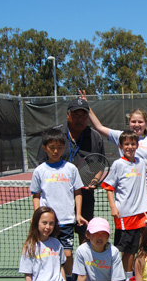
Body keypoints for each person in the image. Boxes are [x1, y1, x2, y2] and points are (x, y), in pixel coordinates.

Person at [36, 97, 105, 245]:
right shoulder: (54, 134)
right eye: (75, 115)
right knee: (55, 241)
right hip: (57, 199)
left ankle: (82, 266)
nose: (79, 119)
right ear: (68, 115)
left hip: (84, 196)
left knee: (85, 237)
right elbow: (42, 164)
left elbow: (100, 165)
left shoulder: (95, 137)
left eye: (83, 116)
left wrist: (95, 179)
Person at [83, 90, 147, 205]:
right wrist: (87, 107)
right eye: (133, 121)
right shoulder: (120, 136)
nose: (137, 125)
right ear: (129, 122)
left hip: (146, 188)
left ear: (146, 123)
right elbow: (99, 127)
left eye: (140, 122)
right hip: (126, 187)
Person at [31, 129, 87, 281]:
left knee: (68, 253)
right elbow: (36, 195)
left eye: (60, 147)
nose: (56, 151)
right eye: (52, 147)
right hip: (48, 222)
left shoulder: (70, 169)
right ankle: (54, 279)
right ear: (44, 148)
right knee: (50, 253)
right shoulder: (40, 171)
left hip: (67, 220)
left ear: (64, 148)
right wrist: (38, 216)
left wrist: (78, 214)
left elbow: (78, 192)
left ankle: (69, 277)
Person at [101, 130, 147, 281]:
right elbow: (109, 186)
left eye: (133, 144)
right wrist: (113, 207)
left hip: (142, 213)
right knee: (128, 250)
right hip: (125, 215)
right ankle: (127, 278)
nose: (130, 147)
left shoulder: (141, 162)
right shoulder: (118, 164)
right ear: (121, 146)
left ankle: (137, 275)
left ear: (137, 145)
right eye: (126, 144)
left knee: (141, 247)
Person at [18, 207, 82, 281]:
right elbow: (28, 275)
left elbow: (60, 266)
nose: (47, 227)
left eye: (51, 224)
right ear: (36, 223)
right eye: (44, 223)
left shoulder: (56, 244)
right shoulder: (30, 246)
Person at [72, 217, 129, 281]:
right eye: (96, 233)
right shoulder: (81, 250)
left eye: (103, 234)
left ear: (108, 236)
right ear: (88, 235)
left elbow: (116, 278)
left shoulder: (113, 252)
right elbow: (81, 277)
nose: (100, 237)